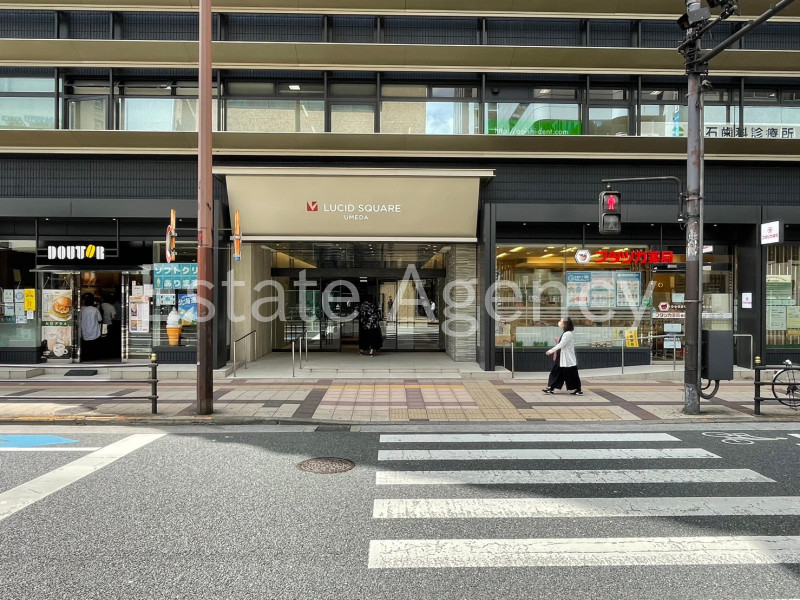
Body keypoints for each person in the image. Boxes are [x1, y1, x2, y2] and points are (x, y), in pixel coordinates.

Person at [544, 317, 582, 395]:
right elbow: (563, 343)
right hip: (561, 358)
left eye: (561, 321)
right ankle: (551, 388)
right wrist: (559, 341)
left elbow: (561, 344)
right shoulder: (566, 333)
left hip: (567, 359)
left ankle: (578, 389)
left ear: (565, 324)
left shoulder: (568, 334)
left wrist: (550, 351)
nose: (560, 323)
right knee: (556, 373)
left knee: (571, 374)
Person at [79, 294, 102, 362]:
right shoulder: (95, 309)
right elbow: (100, 319)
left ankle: (86, 357)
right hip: (94, 329)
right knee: (94, 345)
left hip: (84, 328)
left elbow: (79, 319)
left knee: (86, 345)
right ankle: (93, 357)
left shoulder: (82, 310)